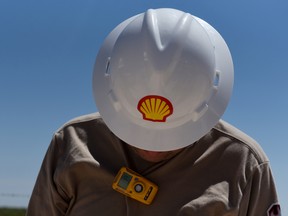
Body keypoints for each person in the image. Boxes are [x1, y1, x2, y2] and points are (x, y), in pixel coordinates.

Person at [26, 8, 281, 216]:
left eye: (176, 135)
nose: (153, 149)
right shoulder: (71, 144)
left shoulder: (245, 164)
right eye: (135, 131)